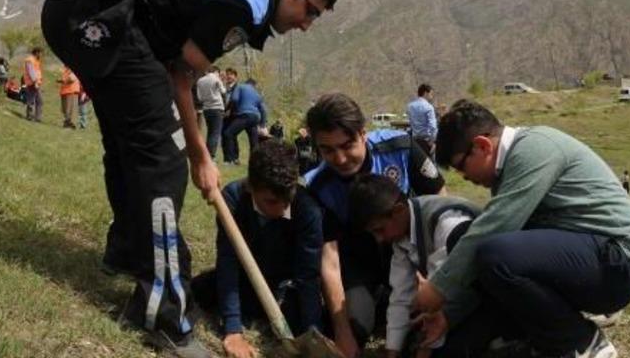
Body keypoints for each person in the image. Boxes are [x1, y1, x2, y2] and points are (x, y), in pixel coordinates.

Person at [40, 0, 337, 357]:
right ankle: (165, 315)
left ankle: (126, 252)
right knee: (163, 157)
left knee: (129, 141)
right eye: (310, 10)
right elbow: (183, 73)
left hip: (76, 3)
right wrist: (199, 156)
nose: (308, 25)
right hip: (103, 12)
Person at [415, 100, 630, 358]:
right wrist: (449, 315)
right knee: (472, 244)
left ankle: (582, 341)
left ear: (482, 146)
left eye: (461, 166)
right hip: (588, 257)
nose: (463, 176)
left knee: (493, 253)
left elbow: (493, 228)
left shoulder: (534, 149)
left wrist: (438, 288)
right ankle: (534, 336)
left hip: (618, 262)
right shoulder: (510, 168)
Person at [304, 93, 445, 358]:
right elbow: (330, 261)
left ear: (363, 134)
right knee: (356, 325)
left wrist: (437, 279)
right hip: (361, 265)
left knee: (428, 327)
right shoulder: (317, 186)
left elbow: (440, 206)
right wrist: (343, 332)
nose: (341, 158)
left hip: (411, 256)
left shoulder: (401, 148)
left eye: (347, 145)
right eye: (328, 150)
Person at [347, 174, 511, 358]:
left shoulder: (448, 222)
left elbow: (440, 290)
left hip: (491, 294)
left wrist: (427, 348)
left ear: (398, 211)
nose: (379, 239)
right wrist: (392, 351)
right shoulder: (400, 235)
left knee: (450, 351)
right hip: (455, 300)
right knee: (410, 341)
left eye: (379, 230)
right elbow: (401, 297)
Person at [191, 140, 323, 358]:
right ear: (251, 186)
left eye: (286, 200)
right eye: (271, 201)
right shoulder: (232, 199)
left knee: (300, 313)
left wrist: (313, 334)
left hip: (283, 288)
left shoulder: (307, 210)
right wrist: (233, 330)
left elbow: (307, 277)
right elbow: (228, 262)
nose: (281, 209)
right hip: (246, 280)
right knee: (200, 289)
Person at [223, 78, 267, 165]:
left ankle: (231, 159)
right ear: (254, 85)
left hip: (244, 115)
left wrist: (227, 110)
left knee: (228, 133)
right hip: (255, 117)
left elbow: (234, 99)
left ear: (246, 83)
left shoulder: (240, 87)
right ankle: (255, 162)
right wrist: (262, 125)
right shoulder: (257, 93)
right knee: (253, 141)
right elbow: (263, 111)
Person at [196, 66, 226, 158]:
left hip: (206, 109)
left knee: (210, 132)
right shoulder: (215, 78)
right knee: (215, 133)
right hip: (217, 107)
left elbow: (199, 97)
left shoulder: (200, 81)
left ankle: (206, 153)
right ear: (216, 71)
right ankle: (211, 155)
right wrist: (222, 81)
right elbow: (223, 91)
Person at [407, 84, 438, 158]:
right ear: (425, 93)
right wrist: (432, 141)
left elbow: (411, 123)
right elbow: (433, 126)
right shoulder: (429, 107)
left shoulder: (410, 106)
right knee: (430, 166)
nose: (432, 96)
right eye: (431, 94)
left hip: (415, 141)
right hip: (426, 141)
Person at [22, 47, 44, 122]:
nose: (41, 55)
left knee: (39, 100)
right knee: (31, 100)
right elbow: (31, 72)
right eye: (40, 53)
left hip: (36, 83)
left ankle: (37, 118)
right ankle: (29, 116)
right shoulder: (30, 60)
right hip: (32, 83)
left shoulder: (36, 60)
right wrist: (35, 82)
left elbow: (37, 71)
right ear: (36, 52)